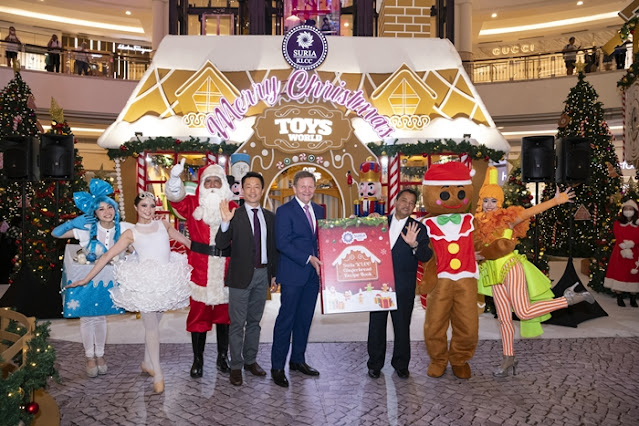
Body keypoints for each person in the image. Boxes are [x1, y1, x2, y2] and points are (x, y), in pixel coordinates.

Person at [475, 167, 595, 377]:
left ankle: (567, 299)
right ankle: (508, 358)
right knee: (503, 319)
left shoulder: (508, 219)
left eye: (493, 201)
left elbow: (531, 211)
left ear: (500, 203)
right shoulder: (477, 224)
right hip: (492, 274)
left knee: (523, 312)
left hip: (510, 267)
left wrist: (556, 200)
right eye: (486, 200)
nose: (489, 205)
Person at [68, 192, 192, 394]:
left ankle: (147, 362)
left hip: (165, 281)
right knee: (151, 327)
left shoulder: (164, 225)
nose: (148, 210)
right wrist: (86, 278)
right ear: (136, 208)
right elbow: (108, 255)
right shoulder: (130, 233)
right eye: (144, 205)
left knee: (155, 324)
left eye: (152, 206)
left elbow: (187, 243)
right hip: (143, 282)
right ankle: (158, 374)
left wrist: (210, 258)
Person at [52, 179, 133, 378]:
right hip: (88, 279)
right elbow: (55, 233)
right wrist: (72, 222)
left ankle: (100, 354)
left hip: (110, 279)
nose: (107, 212)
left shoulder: (124, 228)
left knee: (101, 317)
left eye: (109, 207)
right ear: (94, 213)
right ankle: (90, 356)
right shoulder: (86, 229)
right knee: (87, 318)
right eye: (101, 209)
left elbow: (136, 246)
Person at [165, 159, 236, 378]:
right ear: (201, 185)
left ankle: (222, 357)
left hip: (226, 270)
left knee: (225, 318)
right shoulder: (193, 203)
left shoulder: (233, 207)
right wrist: (175, 179)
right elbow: (175, 199)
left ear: (223, 184)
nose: (213, 185)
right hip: (200, 271)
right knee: (198, 317)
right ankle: (198, 360)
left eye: (217, 181)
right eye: (209, 182)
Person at [216, 171, 278, 386]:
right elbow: (221, 244)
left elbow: (273, 248)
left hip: (262, 275)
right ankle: (236, 366)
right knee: (237, 324)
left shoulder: (270, 217)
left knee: (255, 322)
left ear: (262, 190)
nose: (252, 190)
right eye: (248, 186)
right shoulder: (234, 214)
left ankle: (250, 360)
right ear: (242, 191)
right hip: (240, 277)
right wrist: (224, 223)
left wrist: (273, 274)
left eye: (256, 186)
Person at [366, 189, 431, 379]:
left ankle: (401, 364)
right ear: (395, 201)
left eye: (411, 203)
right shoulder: (378, 222)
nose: (407, 205)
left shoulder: (418, 228)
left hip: (403, 286)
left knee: (402, 326)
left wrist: (414, 245)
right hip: (379, 285)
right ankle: (374, 364)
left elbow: (426, 256)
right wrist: (364, 223)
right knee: (376, 325)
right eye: (404, 200)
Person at [271, 170, 325, 388]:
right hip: (294, 274)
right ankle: (277, 366)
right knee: (286, 320)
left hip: (313, 276)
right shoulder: (284, 211)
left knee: (304, 320)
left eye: (310, 186)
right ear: (294, 188)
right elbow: (282, 243)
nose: (307, 190)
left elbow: (322, 238)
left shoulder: (320, 210)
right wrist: (308, 258)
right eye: (302, 186)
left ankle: (297, 360)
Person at [604, 200, 639, 308]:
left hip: (635, 252)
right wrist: (624, 245)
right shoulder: (617, 223)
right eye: (626, 209)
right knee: (620, 273)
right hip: (620, 251)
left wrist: (633, 243)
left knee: (633, 274)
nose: (628, 211)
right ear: (622, 211)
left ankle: (633, 297)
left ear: (635, 211)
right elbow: (618, 235)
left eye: (630, 209)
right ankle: (619, 296)